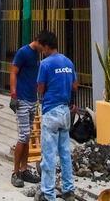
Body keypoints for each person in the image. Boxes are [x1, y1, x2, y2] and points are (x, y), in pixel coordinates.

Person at [36, 30, 76, 201]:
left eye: (41, 47)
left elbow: (40, 88)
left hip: (51, 112)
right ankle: (68, 190)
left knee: (49, 155)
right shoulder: (68, 62)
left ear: (46, 46)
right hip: (65, 112)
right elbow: (75, 86)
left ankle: (48, 194)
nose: (41, 51)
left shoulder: (45, 64)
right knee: (65, 153)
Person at [8, 35, 45, 187]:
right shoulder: (23, 52)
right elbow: (13, 72)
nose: (44, 51)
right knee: (23, 136)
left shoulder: (37, 55)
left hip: (32, 99)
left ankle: (24, 169)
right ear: (38, 42)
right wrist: (13, 94)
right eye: (44, 47)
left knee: (28, 136)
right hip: (22, 99)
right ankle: (15, 172)